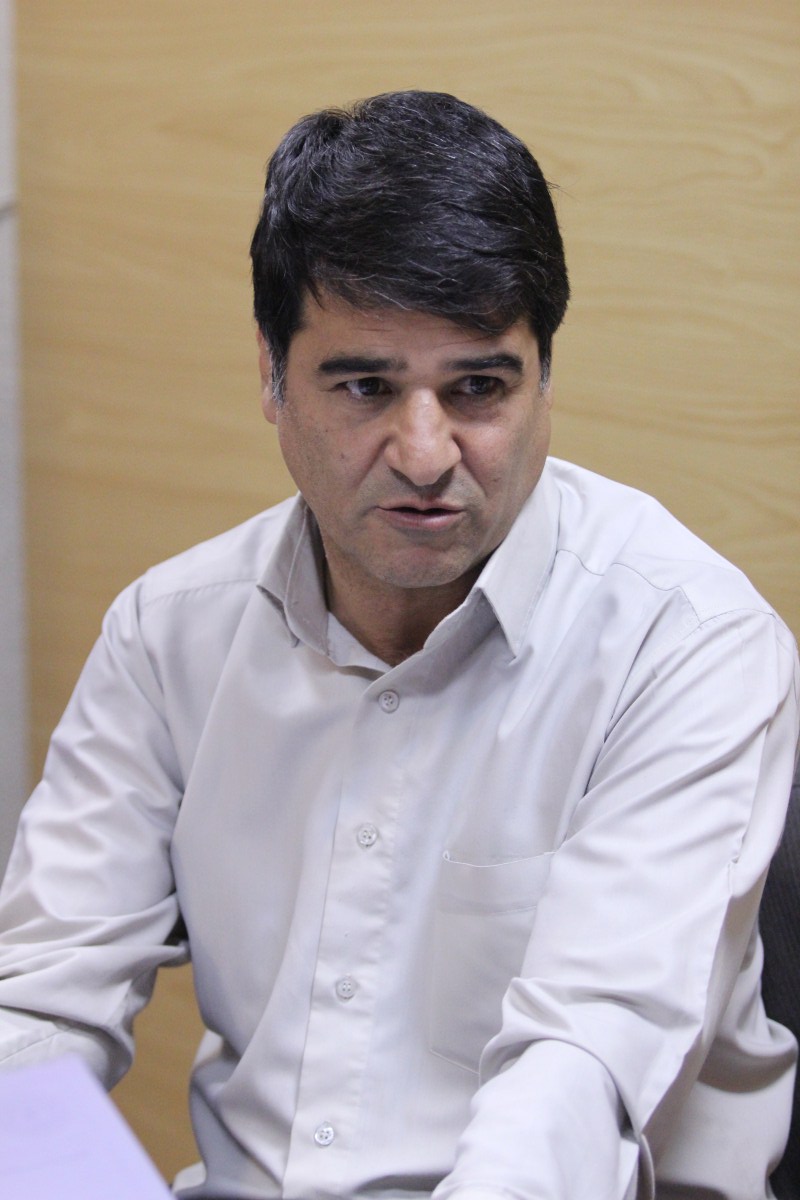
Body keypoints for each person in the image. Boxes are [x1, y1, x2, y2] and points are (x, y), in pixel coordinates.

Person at [0, 90, 797, 1200]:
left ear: (545, 380)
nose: (425, 454)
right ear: (271, 376)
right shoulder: (167, 634)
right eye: (365, 386)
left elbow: (578, 1073)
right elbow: (38, 1003)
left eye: (477, 388)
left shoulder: (685, 643)